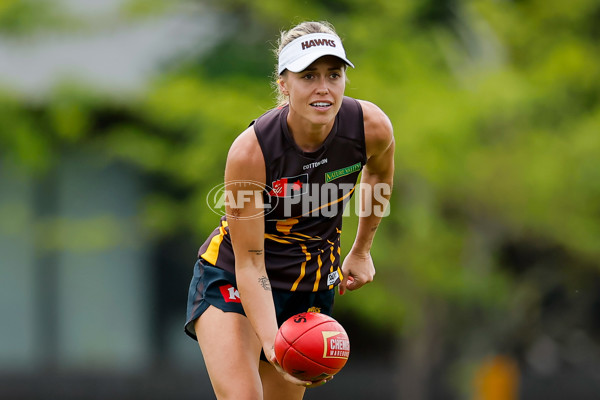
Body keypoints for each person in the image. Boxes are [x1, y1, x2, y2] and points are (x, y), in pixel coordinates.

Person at [184, 20, 395, 400]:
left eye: (334, 74)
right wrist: (273, 344)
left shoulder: (370, 127)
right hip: (234, 277)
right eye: (308, 75)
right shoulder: (252, 152)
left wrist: (362, 250)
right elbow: (250, 264)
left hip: (307, 286)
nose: (323, 88)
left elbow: (378, 176)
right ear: (284, 84)